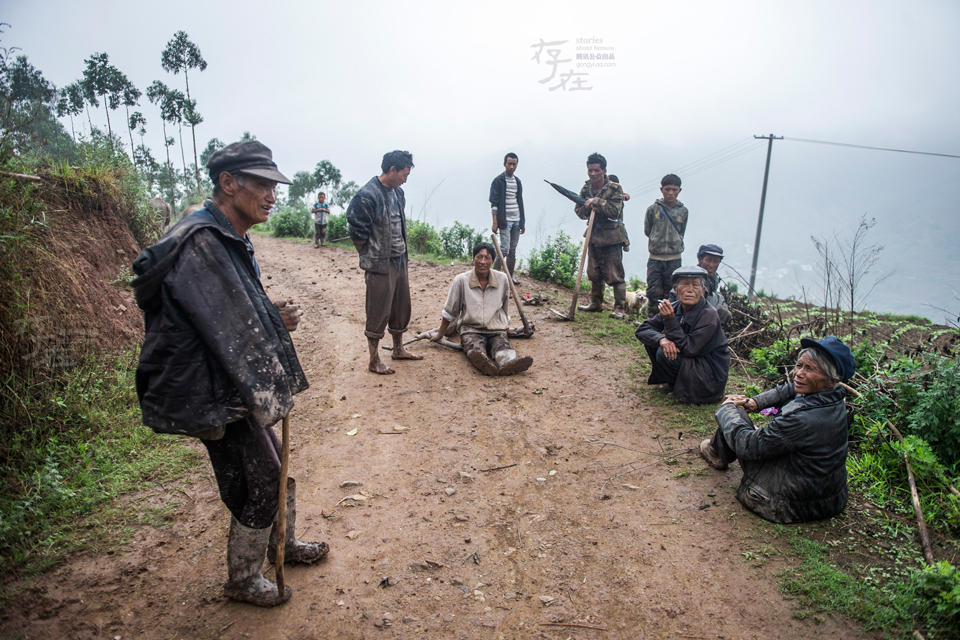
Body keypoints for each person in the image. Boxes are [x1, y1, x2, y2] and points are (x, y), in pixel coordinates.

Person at [132, 140, 327, 608]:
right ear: (228, 183)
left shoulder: (227, 236)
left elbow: (235, 310)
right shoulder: (202, 243)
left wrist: (267, 314)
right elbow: (226, 327)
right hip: (209, 387)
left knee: (274, 469)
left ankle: (280, 546)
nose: (272, 195)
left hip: (225, 380)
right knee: (262, 477)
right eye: (261, 184)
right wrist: (272, 324)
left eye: (272, 185)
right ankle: (242, 577)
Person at [699, 336, 857, 524]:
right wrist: (755, 402)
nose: (798, 373)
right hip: (827, 500)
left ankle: (717, 453)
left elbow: (748, 446)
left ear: (832, 379)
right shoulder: (834, 397)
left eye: (810, 368)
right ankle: (718, 448)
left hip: (783, 505)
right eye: (799, 365)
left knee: (737, 417)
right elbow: (790, 389)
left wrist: (727, 409)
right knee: (743, 416)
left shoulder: (801, 418)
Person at [347, 150, 423, 375]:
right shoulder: (366, 196)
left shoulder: (398, 194)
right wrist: (372, 255)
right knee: (378, 310)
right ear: (392, 170)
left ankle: (398, 348)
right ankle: (374, 359)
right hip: (380, 263)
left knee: (401, 306)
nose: (405, 180)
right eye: (404, 174)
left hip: (400, 259)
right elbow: (357, 233)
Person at [427, 242, 533, 375]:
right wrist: (440, 334)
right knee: (475, 349)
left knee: (502, 347)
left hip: (496, 328)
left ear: (492, 260)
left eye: (487, 257)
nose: (483, 261)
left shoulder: (503, 279)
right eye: (479, 257)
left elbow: (504, 308)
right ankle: (484, 364)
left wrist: (506, 326)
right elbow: (450, 312)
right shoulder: (461, 280)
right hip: (471, 329)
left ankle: (508, 363)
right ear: (473, 259)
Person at [634, 265, 729, 404]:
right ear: (676, 289)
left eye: (695, 285)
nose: (690, 290)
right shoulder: (676, 306)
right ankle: (673, 383)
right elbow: (643, 329)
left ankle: (684, 391)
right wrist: (661, 339)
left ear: (702, 291)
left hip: (709, 374)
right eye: (685, 285)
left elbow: (690, 349)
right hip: (692, 364)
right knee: (657, 343)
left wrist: (670, 321)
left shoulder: (709, 315)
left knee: (664, 353)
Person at [574, 152, 627, 318]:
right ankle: (595, 303)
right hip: (593, 234)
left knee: (615, 273)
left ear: (604, 170)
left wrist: (597, 202)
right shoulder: (586, 188)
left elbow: (615, 210)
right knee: (594, 272)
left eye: (596, 170)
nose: (593, 174)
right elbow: (579, 211)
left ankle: (620, 308)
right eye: (590, 170)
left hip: (612, 236)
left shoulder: (615, 188)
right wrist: (587, 208)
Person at [644, 174, 688, 317]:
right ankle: (651, 323)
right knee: (653, 292)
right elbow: (648, 230)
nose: (671, 193)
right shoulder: (653, 209)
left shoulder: (683, 211)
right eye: (667, 189)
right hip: (655, 258)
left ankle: (667, 325)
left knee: (671, 292)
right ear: (661, 189)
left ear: (679, 191)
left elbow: (682, 231)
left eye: (674, 190)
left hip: (674, 259)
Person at [670, 244, 730, 324]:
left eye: (716, 261)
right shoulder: (691, 278)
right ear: (699, 259)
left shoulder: (713, 279)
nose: (712, 265)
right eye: (708, 260)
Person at [489, 152, 525, 285]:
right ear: (504, 164)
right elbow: (494, 204)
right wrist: (495, 222)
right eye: (509, 164)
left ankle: (510, 277)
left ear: (516, 165)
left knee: (513, 250)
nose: (511, 166)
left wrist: (522, 222)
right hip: (504, 220)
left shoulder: (518, 182)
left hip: (516, 219)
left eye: (514, 164)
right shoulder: (498, 181)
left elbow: (520, 201)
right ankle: (493, 275)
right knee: (504, 249)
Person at [607, 174, 631, 252]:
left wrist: (622, 197)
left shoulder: (618, 193)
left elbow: (626, 196)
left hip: (617, 220)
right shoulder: (604, 193)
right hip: (605, 220)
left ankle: (626, 243)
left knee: (620, 226)